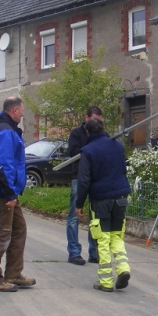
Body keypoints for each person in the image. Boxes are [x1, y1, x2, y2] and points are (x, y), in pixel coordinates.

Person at [0, 96, 36, 293]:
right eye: (22, 110)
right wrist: (10, 193)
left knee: (19, 228)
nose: (23, 113)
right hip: (2, 192)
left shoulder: (5, 129)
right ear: (14, 111)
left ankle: (13, 273)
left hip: (6, 191)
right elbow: (2, 167)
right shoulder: (4, 131)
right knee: (1, 233)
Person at [75, 118, 132, 292]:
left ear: (87, 132)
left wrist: (79, 203)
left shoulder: (88, 150)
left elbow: (84, 180)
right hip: (120, 195)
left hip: (101, 199)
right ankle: (123, 268)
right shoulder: (118, 146)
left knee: (103, 238)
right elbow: (123, 169)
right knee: (116, 236)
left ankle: (106, 282)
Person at [66, 107, 101, 265]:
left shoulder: (101, 134)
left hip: (95, 177)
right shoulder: (76, 133)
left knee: (95, 217)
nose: (96, 122)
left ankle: (94, 252)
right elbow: (73, 152)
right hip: (78, 177)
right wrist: (89, 149)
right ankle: (74, 252)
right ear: (86, 117)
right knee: (74, 215)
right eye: (94, 119)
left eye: (99, 120)